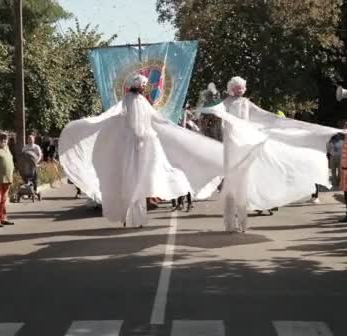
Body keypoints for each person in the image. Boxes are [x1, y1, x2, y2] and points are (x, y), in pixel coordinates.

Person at [58, 74, 223, 227]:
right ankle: (135, 217)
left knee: (130, 181)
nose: (145, 88)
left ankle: (131, 217)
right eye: (144, 86)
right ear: (140, 86)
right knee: (137, 181)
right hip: (138, 145)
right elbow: (144, 123)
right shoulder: (137, 102)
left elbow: (120, 118)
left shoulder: (129, 101)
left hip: (133, 145)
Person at [200, 77, 341, 232]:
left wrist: (284, 124)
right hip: (231, 147)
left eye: (241, 87)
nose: (239, 90)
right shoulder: (225, 104)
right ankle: (229, 224)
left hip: (244, 147)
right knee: (231, 188)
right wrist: (209, 101)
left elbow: (265, 116)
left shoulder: (246, 103)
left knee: (242, 187)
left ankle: (242, 223)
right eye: (236, 87)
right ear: (231, 88)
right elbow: (212, 110)